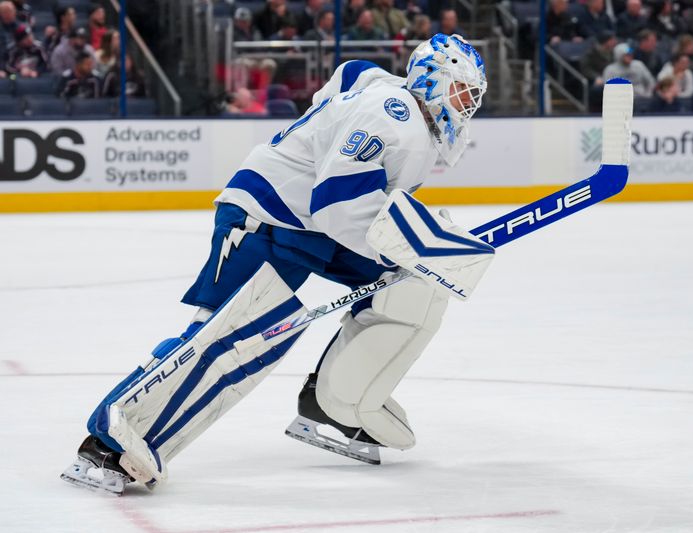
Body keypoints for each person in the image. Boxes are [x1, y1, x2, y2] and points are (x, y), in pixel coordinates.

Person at [60, 33, 490, 496]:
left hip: (313, 229)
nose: (467, 105)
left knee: (411, 289)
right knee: (230, 334)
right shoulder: (394, 114)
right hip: (266, 216)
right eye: (461, 91)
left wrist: (414, 255)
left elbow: (349, 75)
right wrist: (416, 246)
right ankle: (109, 443)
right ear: (429, 80)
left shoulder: (381, 89)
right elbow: (338, 204)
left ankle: (337, 404)